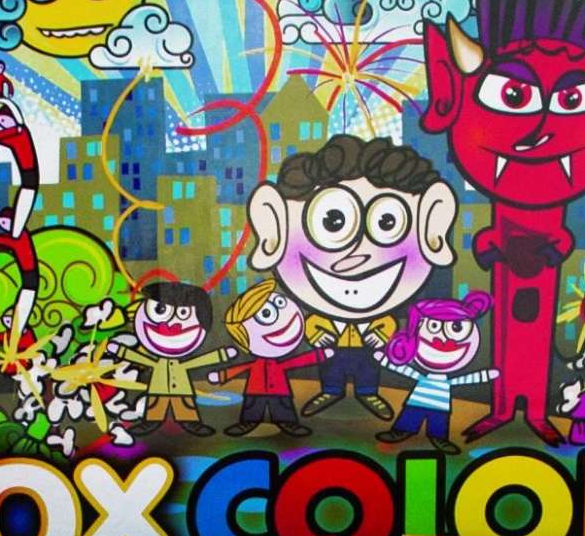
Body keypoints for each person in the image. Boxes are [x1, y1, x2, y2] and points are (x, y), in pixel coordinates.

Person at [245, 134, 458, 422]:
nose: (359, 255)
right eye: (332, 221)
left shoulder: (380, 313)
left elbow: (388, 324)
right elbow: (313, 324)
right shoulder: (320, 313)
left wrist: (380, 333)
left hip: (365, 349)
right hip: (333, 347)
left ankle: (368, 393)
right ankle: (330, 391)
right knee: (331, 372)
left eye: (388, 222)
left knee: (368, 373)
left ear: (433, 225)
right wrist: (317, 333)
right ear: (272, 227)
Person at [104, 281, 236, 437]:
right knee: (155, 404)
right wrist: (120, 351)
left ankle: (190, 422)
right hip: (158, 385)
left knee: (184, 403)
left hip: (181, 385)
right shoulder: (155, 357)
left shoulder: (185, 354)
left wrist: (221, 355)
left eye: (183, 313)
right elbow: (140, 358)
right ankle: (151, 421)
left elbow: (200, 361)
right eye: (160, 310)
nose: (172, 324)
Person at [376, 294, 495, 454]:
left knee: (438, 423)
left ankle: (439, 439)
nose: (443, 339)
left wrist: (486, 376)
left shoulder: (446, 381)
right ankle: (401, 431)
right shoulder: (422, 376)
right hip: (417, 400)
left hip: (441, 405)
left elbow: (465, 379)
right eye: (433, 326)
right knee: (410, 416)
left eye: (456, 328)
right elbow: (405, 370)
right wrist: (383, 360)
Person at [210, 280, 325, 436]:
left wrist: (319, 355)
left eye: (280, 302)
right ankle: (248, 422)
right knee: (252, 407)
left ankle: (287, 423)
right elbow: (241, 368)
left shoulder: (279, 363)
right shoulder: (256, 363)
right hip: (255, 389)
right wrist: (222, 375)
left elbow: (297, 361)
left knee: (282, 407)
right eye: (266, 314)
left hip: (280, 389)